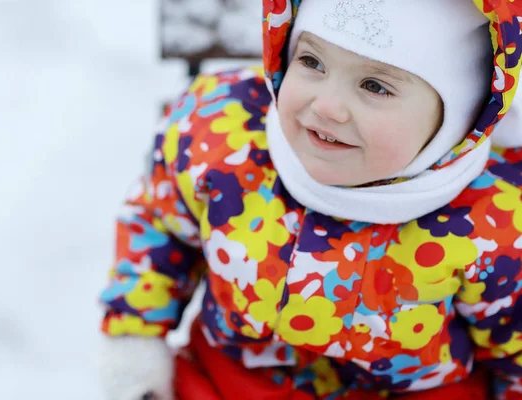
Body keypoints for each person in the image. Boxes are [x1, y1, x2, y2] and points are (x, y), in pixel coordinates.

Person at [97, 0, 522, 399]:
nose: (328, 106)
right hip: (231, 380)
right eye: (312, 61)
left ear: (459, 120)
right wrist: (136, 338)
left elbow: (515, 345)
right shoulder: (225, 141)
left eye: (375, 86)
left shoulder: (496, 222)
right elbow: (160, 224)